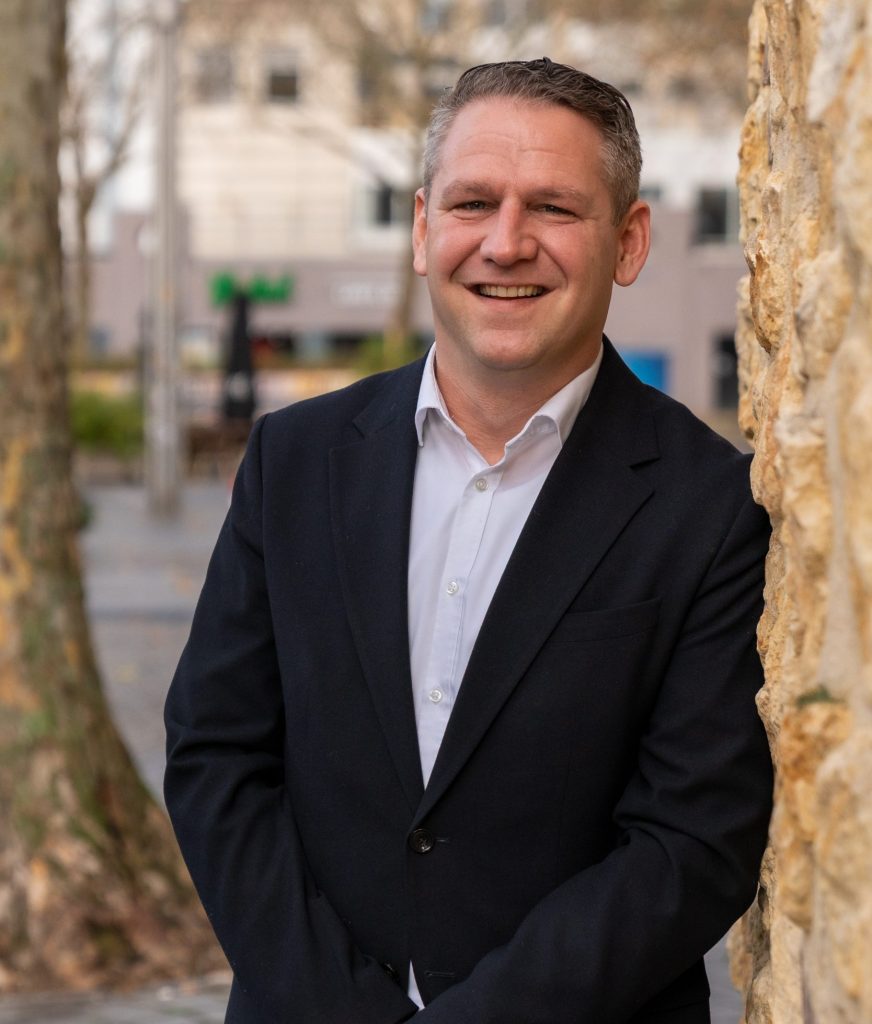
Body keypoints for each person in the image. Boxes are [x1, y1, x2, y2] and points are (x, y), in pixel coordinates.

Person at [164, 58, 773, 1023]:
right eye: (473, 202)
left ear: (629, 241)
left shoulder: (715, 507)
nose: (505, 242)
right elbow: (216, 762)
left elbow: (694, 841)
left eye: (554, 209)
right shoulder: (295, 460)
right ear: (421, 229)